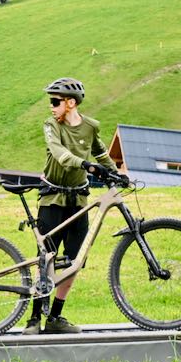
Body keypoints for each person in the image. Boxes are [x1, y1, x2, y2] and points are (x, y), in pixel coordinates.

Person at [25, 77, 119, 335]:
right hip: (51, 198)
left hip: (79, 200)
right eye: (51, 101)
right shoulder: (51, 125)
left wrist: (118, 174)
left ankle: (55, 317)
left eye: (55, 102)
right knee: (46, 260)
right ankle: (34, 319)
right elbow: (59, 154)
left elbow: (100, 154)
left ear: (71, 103)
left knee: (75, 261)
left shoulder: (90, 127)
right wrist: (86, 165)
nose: (51, 106)